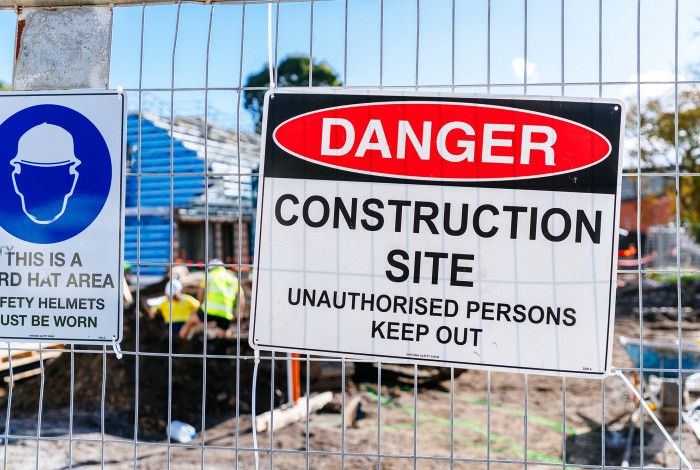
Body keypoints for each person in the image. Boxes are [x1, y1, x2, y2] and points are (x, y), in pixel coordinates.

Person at [182, 259, 244, 339]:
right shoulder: (233, 279)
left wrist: (199, 306)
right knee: (222, 333)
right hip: (226, 312)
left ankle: (181, 341)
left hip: (208, 310)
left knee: (191, 322)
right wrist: (238, 313)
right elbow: (241, 298)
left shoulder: (209, 276)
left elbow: (200, 293)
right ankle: (220, 347)